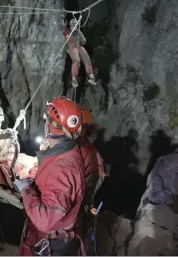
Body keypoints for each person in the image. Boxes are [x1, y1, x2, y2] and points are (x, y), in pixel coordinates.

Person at [14, 96, 86, 256]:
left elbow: (45, 220)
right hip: (50, 238)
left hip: (51, 243)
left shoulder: (63, 167)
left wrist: (25, 188)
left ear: (50, 126)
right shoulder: (66, 152)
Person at [76, 107, 108, 255]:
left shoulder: (85, 150)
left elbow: (91, 181)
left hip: (80, 206)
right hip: (83, 204)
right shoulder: (86, 149)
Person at [63, 18, 97, 87]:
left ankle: (91, 76)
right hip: (71, 48)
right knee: (77, 59)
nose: (74, 27)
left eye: (75, 26)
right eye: (72, 26)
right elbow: (64, 33)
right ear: (70, 26)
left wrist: (81, 37)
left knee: (85, 55)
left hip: (78, 46)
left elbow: (84, 41)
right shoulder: (68, 32)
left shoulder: (78, 32)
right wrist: (67, 33)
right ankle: (73, 79)